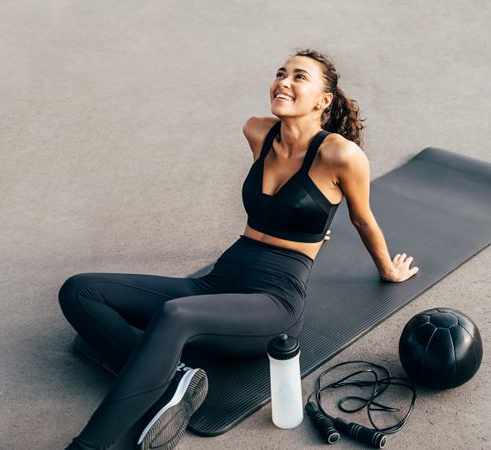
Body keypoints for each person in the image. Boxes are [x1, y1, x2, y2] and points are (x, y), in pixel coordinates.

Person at [59, 48, 419, 450]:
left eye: (299, 77)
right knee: (79, 290)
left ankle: (87, 446)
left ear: (324, 99)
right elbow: (276, 207)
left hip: (273, 301)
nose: (283, 81)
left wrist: (387, 268)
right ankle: (173, 381)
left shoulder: (341, 154)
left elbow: (362, 218)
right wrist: (300, 220)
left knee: (174, 314)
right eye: (281, 73)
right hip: (220, 279)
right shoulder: (257, 131)